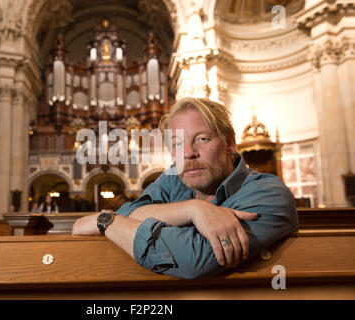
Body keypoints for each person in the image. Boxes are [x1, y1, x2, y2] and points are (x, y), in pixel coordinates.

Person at [72, 97, 298, 280]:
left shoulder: (270, 194)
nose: (188, 152)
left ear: (230, 143)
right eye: (177, 143)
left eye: (202, 139)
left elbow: (192, 259)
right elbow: (129, 213)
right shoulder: (175, 178)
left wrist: (104, 221)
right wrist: (193, 209)